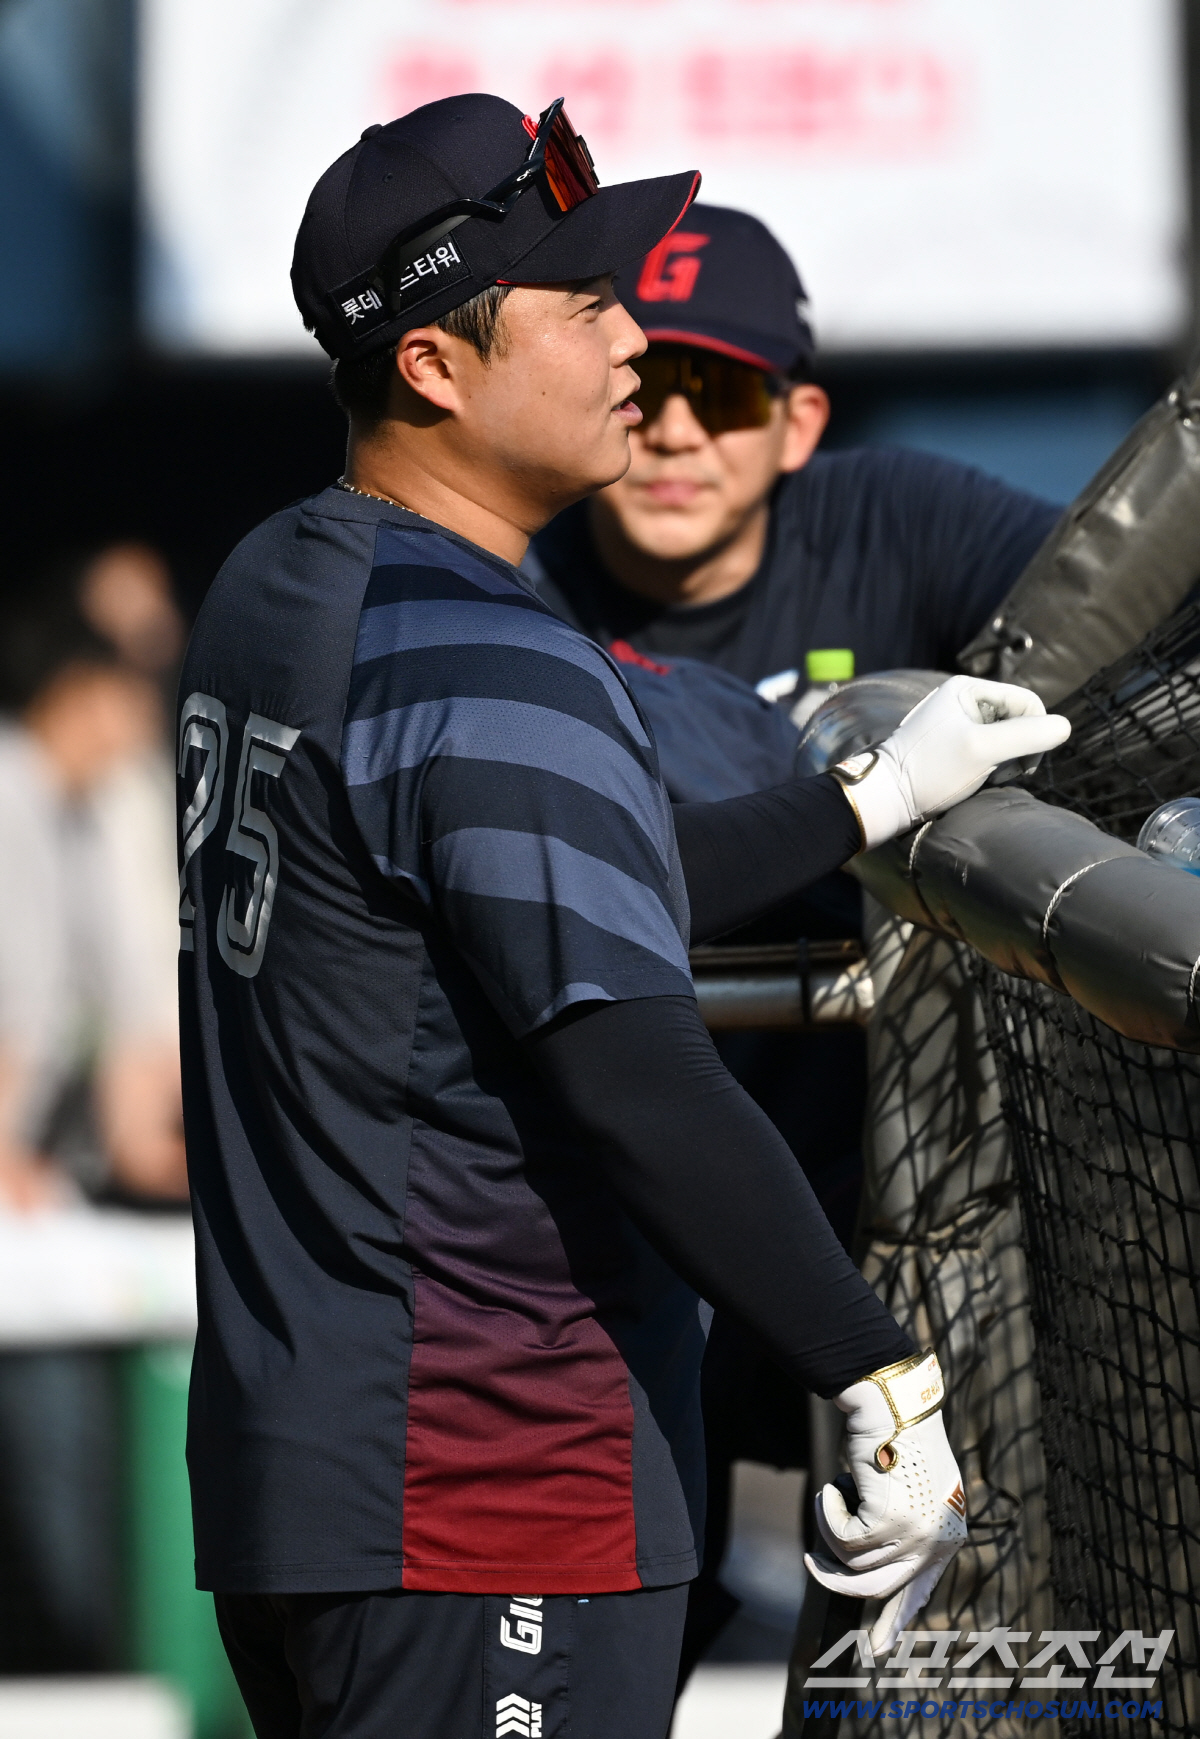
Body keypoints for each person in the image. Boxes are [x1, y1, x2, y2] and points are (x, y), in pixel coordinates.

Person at [178, 94, 1068, 1739]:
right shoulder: (495, 654)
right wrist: (877, 1373)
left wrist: (859, 808)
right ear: (436, 369)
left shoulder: (279, 579)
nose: (637, 347)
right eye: (587, 304)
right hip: (492, 1482)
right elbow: (637, 1073)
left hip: (308, 1469)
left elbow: (541, 885)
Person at [523, 205, 1063, 1670]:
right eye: (653, 388)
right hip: (612, 1223)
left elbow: (1133, 646)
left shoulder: (904, 519)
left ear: (799, 418)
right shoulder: (513, 590)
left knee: (898, 1668)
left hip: (869, 1207)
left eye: (732, 393)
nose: (682, 433)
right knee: (605, 1661)